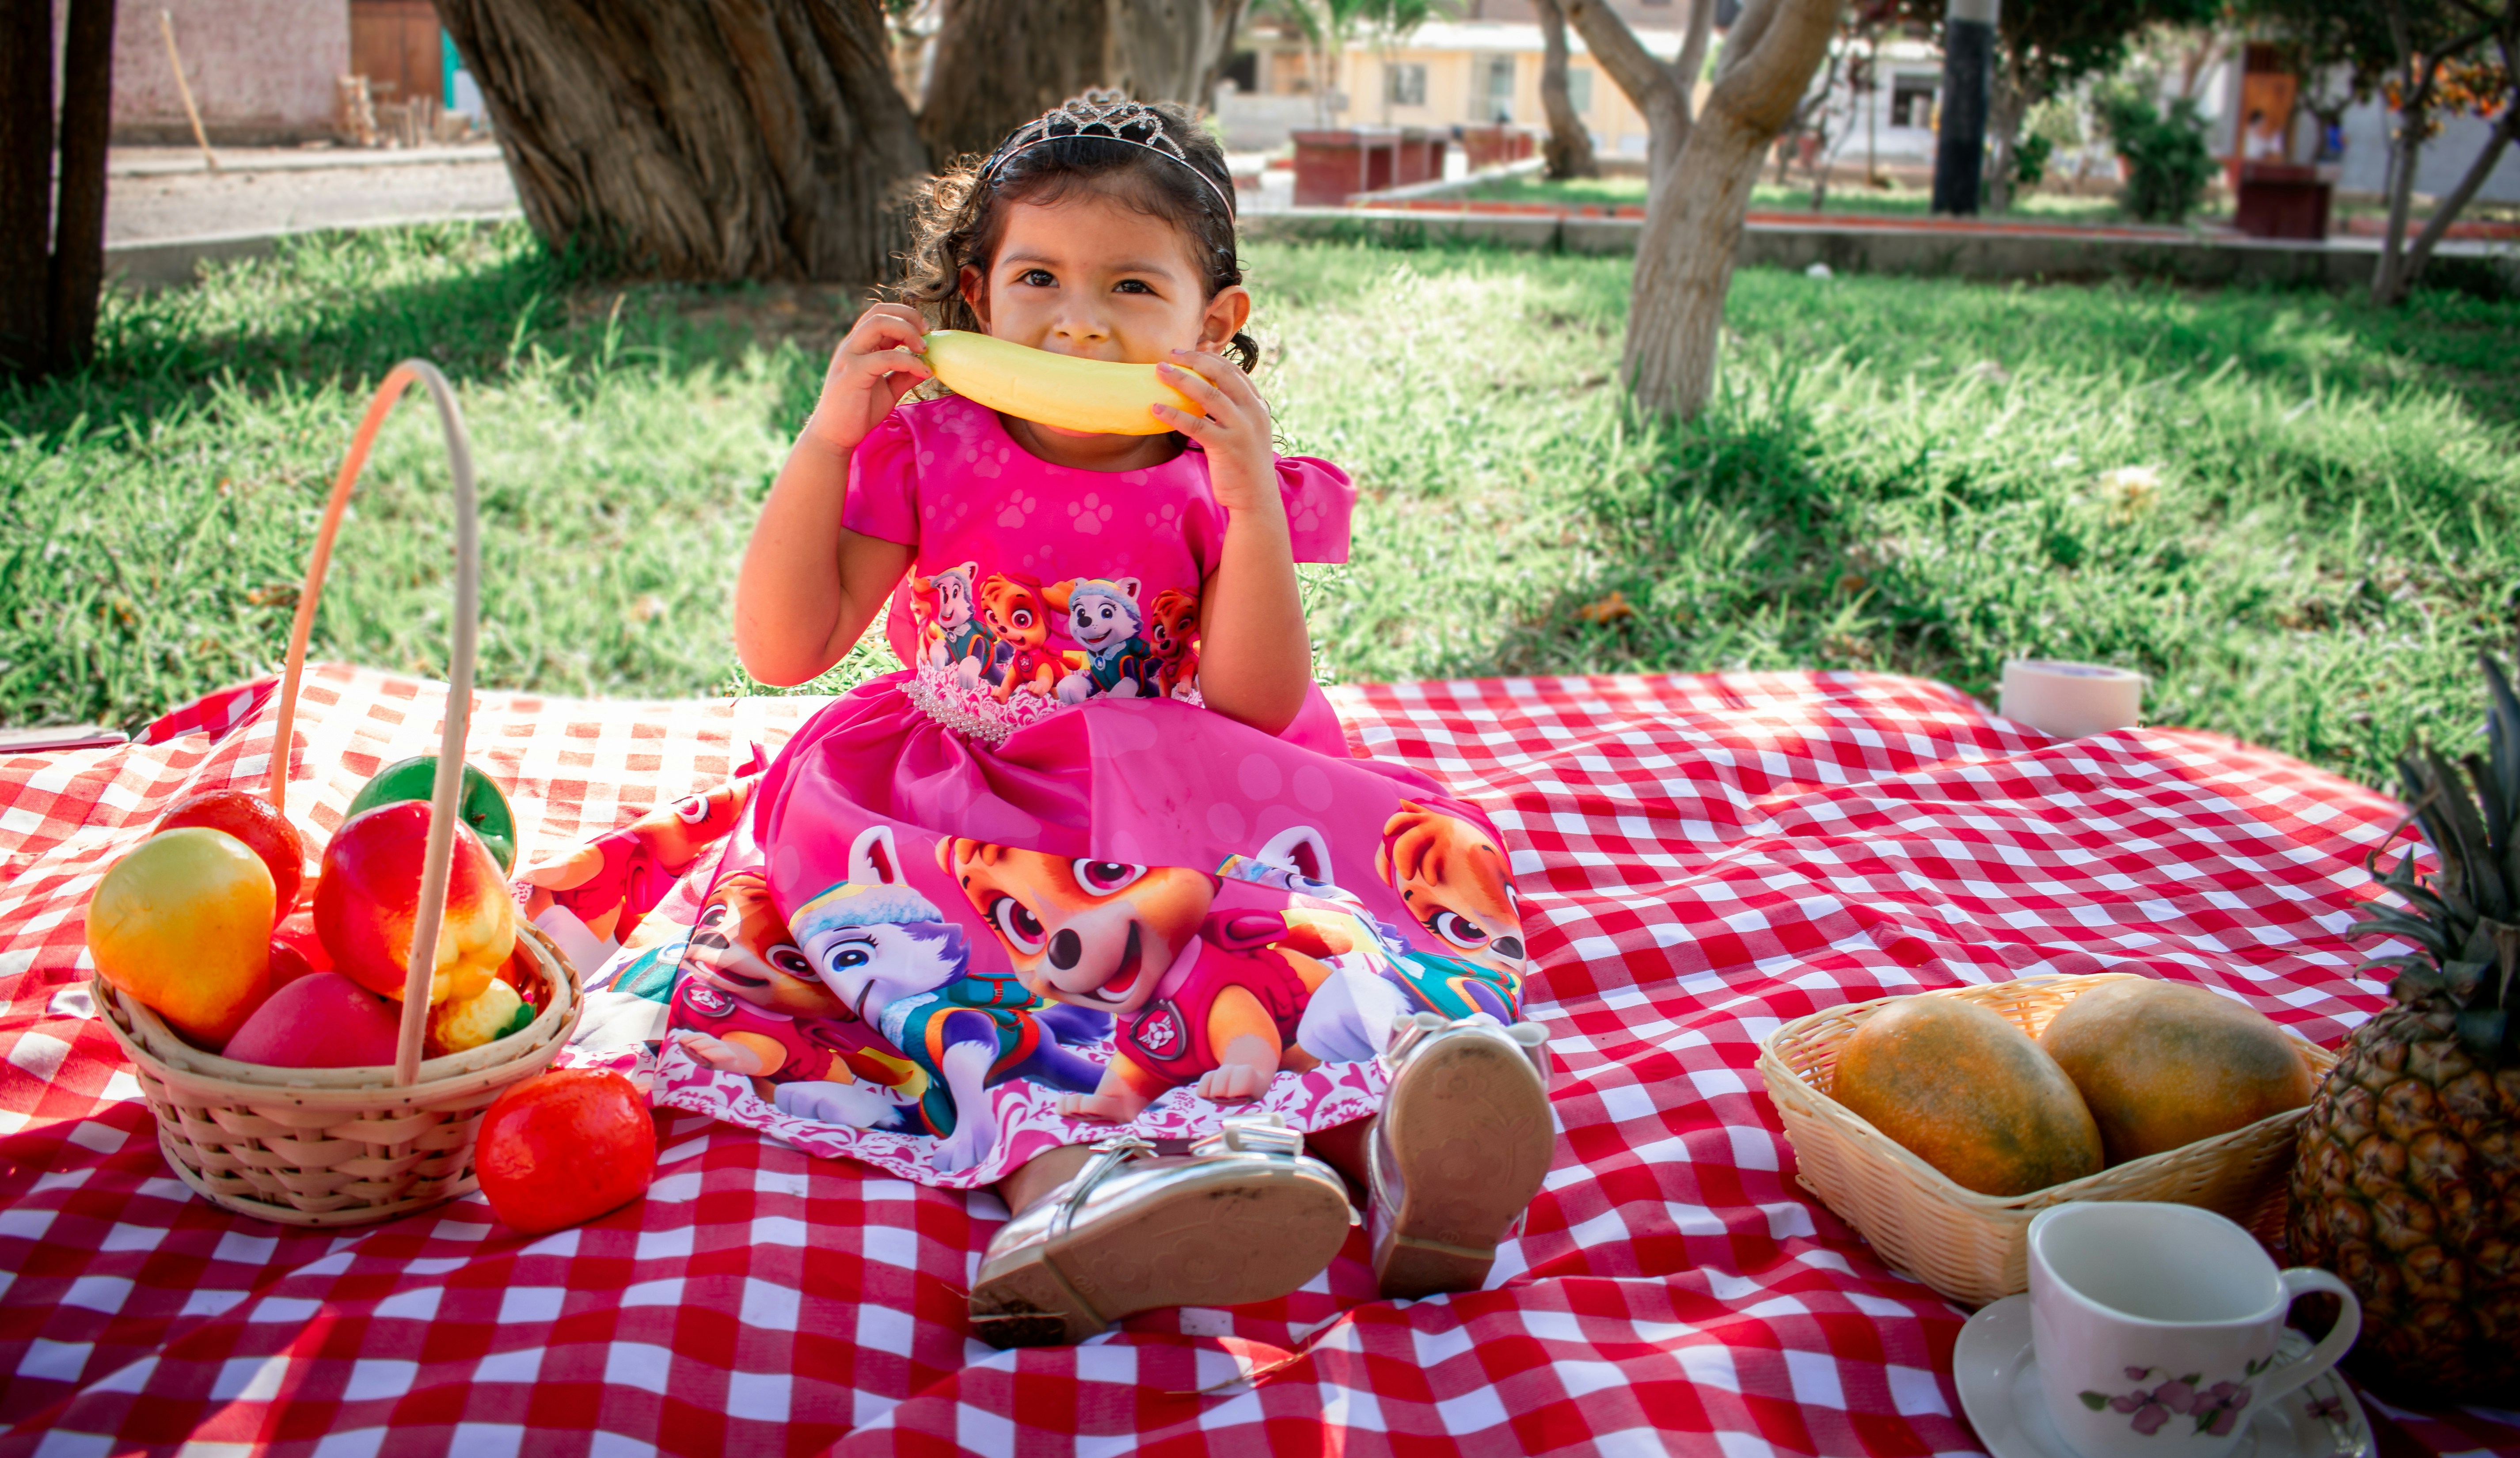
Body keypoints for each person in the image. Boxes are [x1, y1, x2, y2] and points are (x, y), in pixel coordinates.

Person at [722, 91, 1555, 1347]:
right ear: (977, 291)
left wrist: (1250, 504)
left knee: (1275, 926)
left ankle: (1397, 1149)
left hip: (1166, 783)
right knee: (988, 973)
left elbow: (1256, 704)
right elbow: (783, 649)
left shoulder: (1209, 480)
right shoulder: (927, 447)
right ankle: (1068, 1198)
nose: (1079, 320)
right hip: (959, 791)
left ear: (1213, 324)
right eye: (1041, 277)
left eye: (1131, 289)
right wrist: (827, 440)